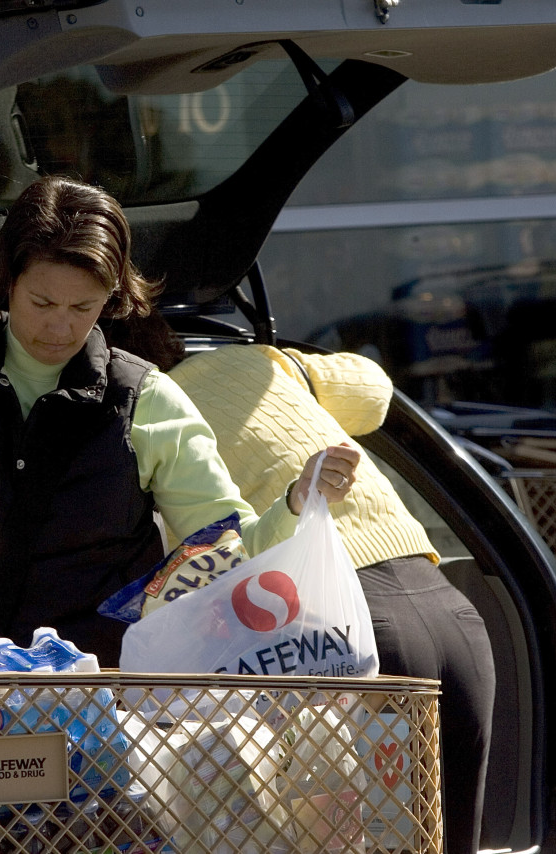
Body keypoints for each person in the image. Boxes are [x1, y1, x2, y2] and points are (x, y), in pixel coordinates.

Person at [0, 174, 359, 668]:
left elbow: (223, 553)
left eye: (84, 307)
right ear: (7, 284)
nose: (59, 327)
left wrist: (293, 505)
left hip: (95, 706)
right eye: (42, 303)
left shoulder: (145, 400)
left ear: (113, 297)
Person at [113, 312, 495, 854]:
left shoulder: (142, 411)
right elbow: (374, 391)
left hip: (344, 625)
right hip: (448, 608)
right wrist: (293, 367)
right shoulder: (261, 362)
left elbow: (198, 566)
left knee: (355, 841)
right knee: (449, 838)